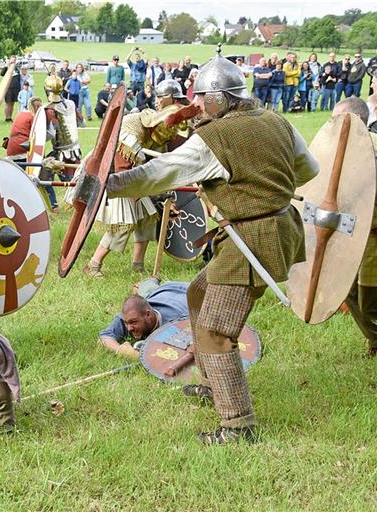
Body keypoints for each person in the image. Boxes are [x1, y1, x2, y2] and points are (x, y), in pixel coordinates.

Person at [103, 51, 319, 444]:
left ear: (220, 98)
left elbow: (158, 173)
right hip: (281, 229)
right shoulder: (278, 121)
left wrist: (110, 183)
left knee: (218, 330)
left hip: (252, 241)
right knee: (198, 293)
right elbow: (308, 170)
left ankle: (237, 425)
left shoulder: (215, 138)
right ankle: (210, 381)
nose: (195, 105)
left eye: (201, 97)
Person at [83, 89, 195, 279]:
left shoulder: (154, 129)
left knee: (147, 218)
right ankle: (93, 265)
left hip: (134, 179)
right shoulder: (131, 133)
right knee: (122, 223)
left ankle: (138, 265)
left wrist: (161, 196)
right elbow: (123, 171)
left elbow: (152, 169)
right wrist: (143, 195)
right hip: (114, 179)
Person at [332, 98, 377, 356]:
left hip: (373, 237)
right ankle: (375, 340)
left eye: (338, 119)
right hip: (351, 237)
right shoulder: (338, 152)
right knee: (346, 290)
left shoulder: (373, 149)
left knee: (371, 301)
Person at [99, 280, 189, 358]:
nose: (129, 328)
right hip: (161, 291)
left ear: (148, 315)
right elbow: (105, 337)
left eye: (133, 322)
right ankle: (151, 280)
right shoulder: (130, 316)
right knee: (146, 287)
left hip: (189, 291)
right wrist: (121, 350)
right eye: (126, 323)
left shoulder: (178, 322)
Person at [6, 96, 42, 161]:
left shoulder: (21, 114)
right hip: (22, 146)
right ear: (36, 107)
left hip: (12, 146)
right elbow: (37, 134)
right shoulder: (32, 116)